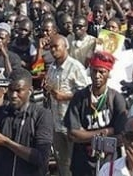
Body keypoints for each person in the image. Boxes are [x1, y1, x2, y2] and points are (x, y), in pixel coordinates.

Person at [0, 69, 53, 175]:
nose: (13, 95)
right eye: (11, 90)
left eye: (18, 91)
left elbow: (41, 158)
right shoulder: (1, 112)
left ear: (30, 91)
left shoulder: (42, 115)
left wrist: (6, 142)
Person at [64, 51, 128, 176]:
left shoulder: (116, 98)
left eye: (102, 72)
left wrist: (86, 136)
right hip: (82, 162)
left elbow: (122, 137)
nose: (97, 75)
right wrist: (106, 132)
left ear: (108, 74)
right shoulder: (80, 97)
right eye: (94, 71)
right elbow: (72, 134)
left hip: (110, 161)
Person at [44, 34, 90, 176]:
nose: (53, 50)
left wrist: (65, 96)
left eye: (56, 46)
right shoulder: (52, 67)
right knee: (61, 161)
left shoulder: (75, 66)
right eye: (51, 47)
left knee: (74, 161)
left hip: (72, 124)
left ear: (65, 47)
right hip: (57, 124)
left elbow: (87, 92)